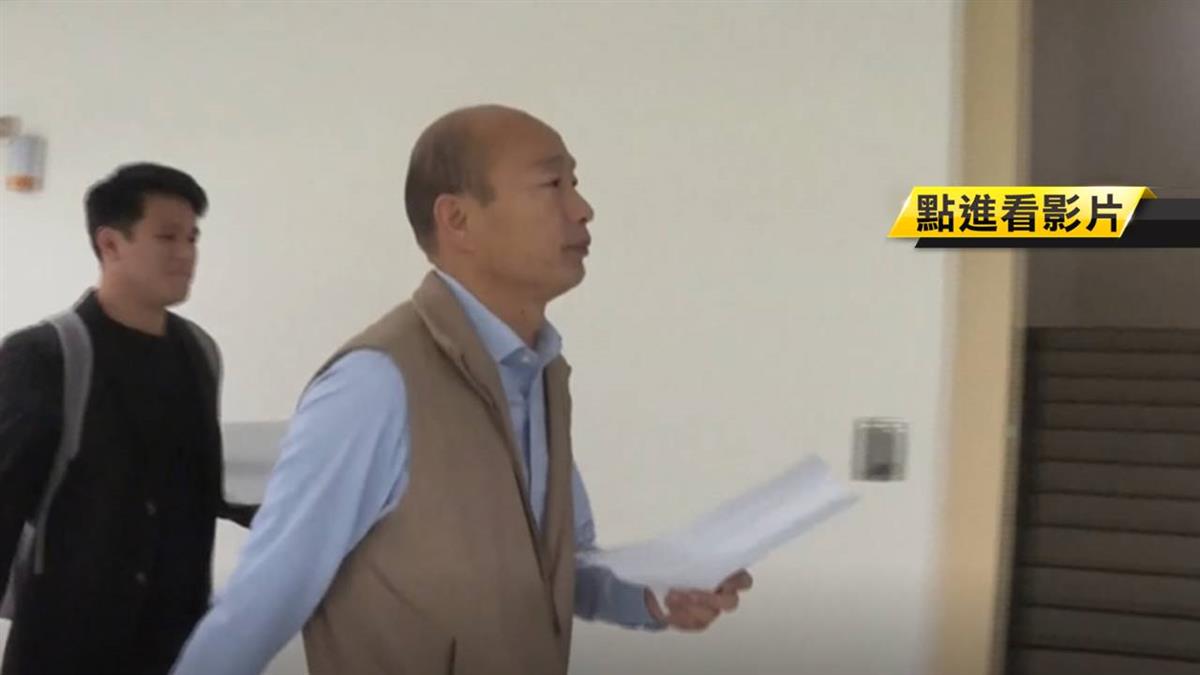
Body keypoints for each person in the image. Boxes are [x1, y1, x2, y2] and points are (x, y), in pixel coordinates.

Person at [172, 105, 752, 675]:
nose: (582, 209)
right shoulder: (376, 383)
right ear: (457, 220)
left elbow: (560, 565)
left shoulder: (540, 372)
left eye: (575, 183)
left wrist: (652, 594)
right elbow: (261, 603)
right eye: (552, 184)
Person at [0, 163, 257, 675]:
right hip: (66, 647)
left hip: (175, 644)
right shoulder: (45, 355)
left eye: (192, 238)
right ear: (111, 243)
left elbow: (193, 489)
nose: (186, 253)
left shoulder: (198, 353)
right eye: (167, 237)